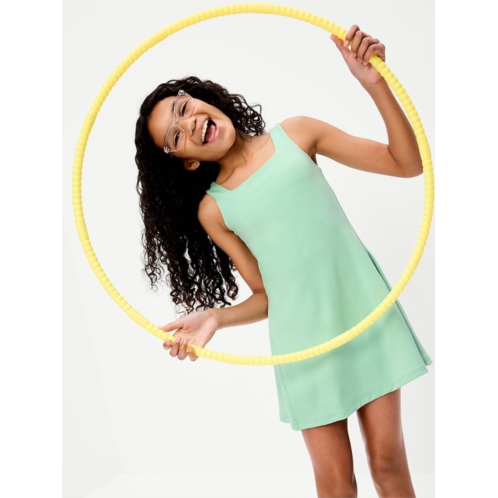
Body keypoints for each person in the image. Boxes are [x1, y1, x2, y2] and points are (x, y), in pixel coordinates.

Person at [134, 25, 433, 498]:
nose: (187, 124)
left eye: (184, 109)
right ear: (186, 161)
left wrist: (374, 84)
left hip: (365, 315)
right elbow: (266, 294)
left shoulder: (297, 133)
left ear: (202, 99)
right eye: (176, 135)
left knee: (388, 461)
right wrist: (216, 317)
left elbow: (407, 163)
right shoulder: (214, 210)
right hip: (303, 345)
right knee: (335, 483)